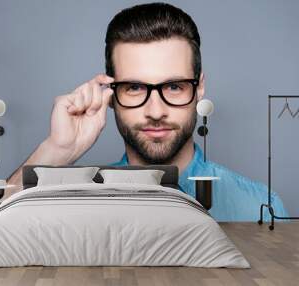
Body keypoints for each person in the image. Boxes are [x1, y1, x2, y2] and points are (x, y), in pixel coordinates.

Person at [23, 2, 288, 221]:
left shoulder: (261, 207)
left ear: (200, 88)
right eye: (135, 87)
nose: (156, 111)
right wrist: (57, 150)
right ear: (110, 92)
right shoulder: (76, 206)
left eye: (174, 86)